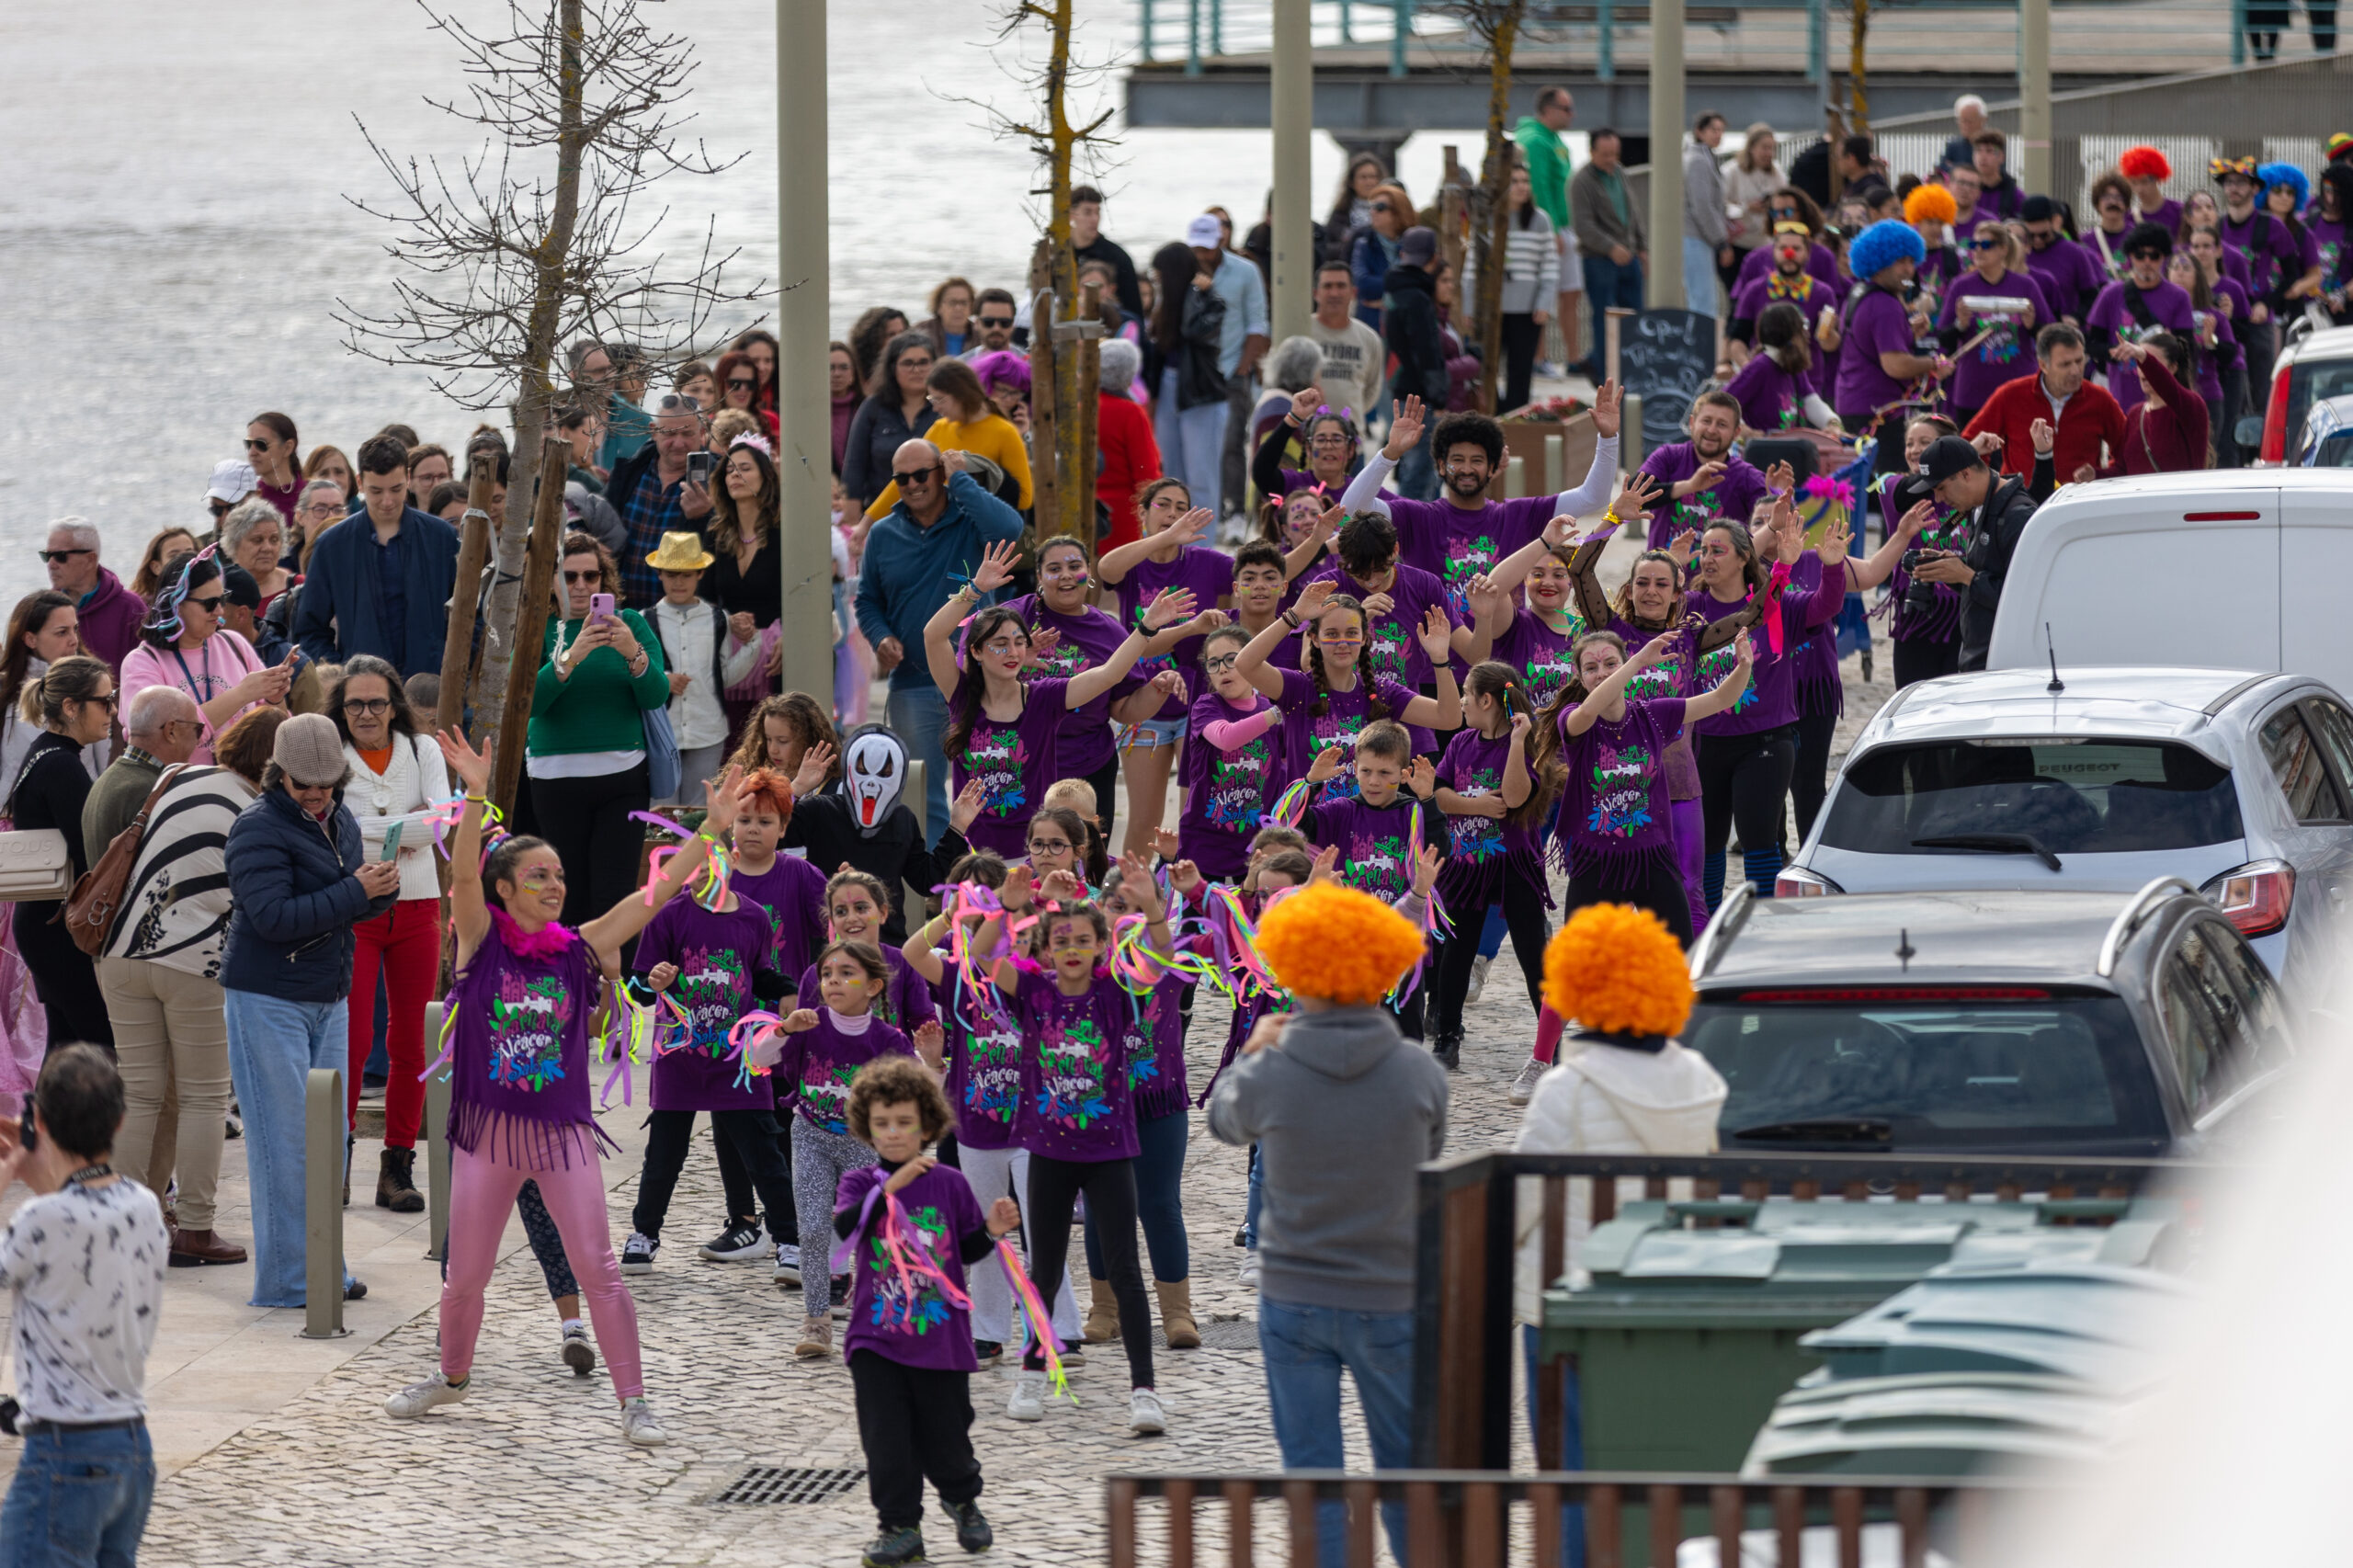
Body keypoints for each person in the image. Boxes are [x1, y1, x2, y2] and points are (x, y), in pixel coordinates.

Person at [382, 738, 712, 1448]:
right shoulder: (478, 941)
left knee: (599, 1269)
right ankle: (452, 1378)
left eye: (558, 875)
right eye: (538, 876)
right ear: (506, 890)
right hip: (488, 1137)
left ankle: (634, 1401)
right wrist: (475, 794)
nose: (555, 885)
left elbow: (653, 896)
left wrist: (710, 828)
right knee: (464, 1274)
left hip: (562, 1136)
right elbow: (463, 883)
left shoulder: (580, 947)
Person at [1206, 881, 1448, 1568]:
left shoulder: (1274, 1069)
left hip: (1295, 1293)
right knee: (1405, 1471)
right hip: (1390, 1293)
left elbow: (1223, 1122)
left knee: (1313, 1475)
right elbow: (1426, 1157)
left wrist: (1255, 1050)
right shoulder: (1417, 1071)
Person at [1511, 905, 1728, 1557]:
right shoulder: (1701, 1081)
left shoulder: (1568, 1091)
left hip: (1566, 1301)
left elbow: (1523, 1198)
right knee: (1654, 1454)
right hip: (1665, 1295)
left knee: (1571, 1463)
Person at [967, 858, 1176, 1433]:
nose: (1074, 949)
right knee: (1047, 1268)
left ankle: (1144, 1390)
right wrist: (1009, 907)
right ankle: (1033, 1375)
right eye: (1064, 941)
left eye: (1085, 940)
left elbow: (1161, 956)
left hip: (1110, 1152)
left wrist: (1150, 904)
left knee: (1126, 1270)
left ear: (1102, 945)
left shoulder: (1116, 992)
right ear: (1048, 948)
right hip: (1050, 1152)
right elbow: (983, 958)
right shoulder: (1033, 991)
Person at [218, 713, 396, 1306]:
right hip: (268, 997)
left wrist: (377, 891)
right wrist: (356, 891)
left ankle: (323, 1264)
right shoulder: (256, 827)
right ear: (279, 776)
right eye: (304, 785)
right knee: (285, 1142)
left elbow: (333, 911)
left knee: (328, 1137)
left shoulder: (339, 817)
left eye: (327, 783)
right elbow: (272, 919)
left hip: (326, 994)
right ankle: (289, 1280)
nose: (317, 795)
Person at [98, 699, 266, 1271]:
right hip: (191, 961)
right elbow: (252, 902)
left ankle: (119, 1226)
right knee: (202, 1097)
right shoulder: (255, 812)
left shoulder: (177, 775)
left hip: (119, 951)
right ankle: (194, 1228)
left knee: (140, 1093)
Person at [826, 1057, 1012, 1568]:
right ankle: (899, 1527)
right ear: (867, 1125)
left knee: (947, 1433)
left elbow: (968, 1250)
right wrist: (891, 1185)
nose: (893, 1133)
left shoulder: (950, 1183)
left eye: (904, 1123)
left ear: (926, 1126)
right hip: (876, 1338)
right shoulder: (860, 1183)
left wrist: (993, 1229)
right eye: (882, 1123)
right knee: (886, 1438)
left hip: (942, 1338)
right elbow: (847, 1230)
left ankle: (961, 1498)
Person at [0, 1045, 168, 1568]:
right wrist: (39, 1175)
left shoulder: (38, 1221)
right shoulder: (144, 1206)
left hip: (63, 1454)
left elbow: (58, 1226)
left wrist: (9, 1173)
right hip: (131, 1449)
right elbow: (85, 1224)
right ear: (119, 1122)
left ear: (41, 1121)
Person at [925, 540, 1191, 860]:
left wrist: (1146, 628)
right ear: (976, 651)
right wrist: (976, 588)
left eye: (1018, 643)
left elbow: (1108, 675)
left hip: (1033, 855)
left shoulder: (1044, 696)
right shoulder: (961, 696)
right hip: (974, 856)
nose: (1011, 651)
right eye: (1000, 644)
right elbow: (933, 635)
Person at [855, 444, 1027, 847]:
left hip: (978, 683)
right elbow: (867, 600)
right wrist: (880, 636)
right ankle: (935, 885)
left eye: (922, 474)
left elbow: (1011, 530)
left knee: (990, 786)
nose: (912, 485)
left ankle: (986, 876)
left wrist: (960, 479)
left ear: (941, 472)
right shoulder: (882, 534)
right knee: (920, 792)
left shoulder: (972, 521)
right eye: (902, 479)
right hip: (912, 683)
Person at [324, 657, 445, 1215]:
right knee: (348, 1041)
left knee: (412, 1042)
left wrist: (369, 834)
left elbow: (441, 822)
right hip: (356, 911)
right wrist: (404, 827)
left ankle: (397, 1163)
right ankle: (339, 1161)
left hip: (419, 907)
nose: (366, 714)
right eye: (354, 704)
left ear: (395, 704)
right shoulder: (330, 753)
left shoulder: (424, 751)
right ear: (340, 709)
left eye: (376, 703)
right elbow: (332, 829)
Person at [525, 533, 670, 931]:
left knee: (615, 897)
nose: (581, 586)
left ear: (604, 580)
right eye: (569, 577)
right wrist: (571, 658)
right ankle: (573, 988)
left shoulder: (631, 624)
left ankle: (614, 990)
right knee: (565, 896)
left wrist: (631, 652)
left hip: (622, 777)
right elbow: (529, 706)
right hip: (555, 780)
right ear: (553, 580)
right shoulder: (541, 627)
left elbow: (657, 694)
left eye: (591, 576)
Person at [8, 654, 115, 1051]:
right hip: (58, 928)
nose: (113, 710)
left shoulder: (47, 752)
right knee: (100, 1045)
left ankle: (41, 1115)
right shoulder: (61, 766)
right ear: (71, 707)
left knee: (66, 1045)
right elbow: (91, 858)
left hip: (45, 921)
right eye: (105, 701)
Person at [293, 435, 460, 676]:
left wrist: (453, 668)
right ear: (359, 483)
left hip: (434, 688)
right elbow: (310, 629)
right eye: (376, 491)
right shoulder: (332, 545)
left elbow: (469, 615)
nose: (387, 501)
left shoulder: (441, 536)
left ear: (408, 478)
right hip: (361, 693)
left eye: (396, 489)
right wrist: (342, 675)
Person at [120, 550, 287, 767]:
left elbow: (280, 729)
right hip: (179, 790)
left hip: (245, 786)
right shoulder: (143, 662)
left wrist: (276, 697)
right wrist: (242, 694)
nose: (219, 611)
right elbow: (158, 739)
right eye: (209, 603)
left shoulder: (233, 643)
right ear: (176, 604)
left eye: (223, 599)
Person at [1898, 434, 2038, 671]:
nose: (1939, 498)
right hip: (1981, 657)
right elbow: (1988, 575)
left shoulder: (2017, 515)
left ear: (1965, 474)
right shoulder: (1981, 504)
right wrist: (1950, 569)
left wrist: (1966, 575)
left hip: (2005, 665)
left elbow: (2028, 600)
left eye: (1941, 488)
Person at [1835, 220, 1954, 476]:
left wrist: (1907, 333)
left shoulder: (1859, 291)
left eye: (1912, 262)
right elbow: (1895, 365)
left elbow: (1868, 343)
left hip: (1855, 402)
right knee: (1888, 486)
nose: (1909, 270)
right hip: (1877, 410)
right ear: (1880, 260)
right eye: (1901, 262)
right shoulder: (1884, 304)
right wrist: (1933, 363)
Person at [642, 532, 756, 803]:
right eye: (671, 574)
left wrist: (752, 644)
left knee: (701, 808)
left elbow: (724, 675)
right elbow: (636, 671)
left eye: (687, 574)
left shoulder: (718, 619)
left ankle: (700, 848)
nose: (679, 582)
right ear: (659, 574)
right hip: (663, 730)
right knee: (661, 809)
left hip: (707, 728)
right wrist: (663, 680)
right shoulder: (645, 620)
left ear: (700, 574)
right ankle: (665, 850)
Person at [862, 358, 1032, 518]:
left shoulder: (1005, 432)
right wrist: (868, 521)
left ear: (961, 394)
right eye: (931, 400)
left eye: (939, 400)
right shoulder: (939, 429)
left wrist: (981, 475)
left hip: (986, 534)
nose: (935, 408)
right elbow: (904, 480)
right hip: (946, 531)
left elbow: (1025, 499)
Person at [699, 430, 785, 739]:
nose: (735, 475)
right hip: (731, 657)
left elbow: (812, 597)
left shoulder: (786, 530)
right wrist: (727, 620)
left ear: (766, 475)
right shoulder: (716, 533)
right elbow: (703, 598)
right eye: (729, 470)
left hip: (779, 659)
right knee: (735, 746)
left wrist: (790, 634)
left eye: (745, 468)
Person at [1145, 231, 1234, 524]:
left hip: (1200, 393)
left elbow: (1193, 333)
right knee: (1171, 475)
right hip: (1171, 387)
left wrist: (1197, 296)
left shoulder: (1207, 302)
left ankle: (1203, 547)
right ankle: (1173, 541)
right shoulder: (1164, 307)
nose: (1156, 282)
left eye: (1160, 276)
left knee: (1201, 477)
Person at [1966, 323, 2127, 483]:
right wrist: (1991, 488)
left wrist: (2099, 476)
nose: (2075, 371)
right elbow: (1967, 447)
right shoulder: (2010, 395)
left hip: (2080, 503)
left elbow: (2128, 452)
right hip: (2022, 504)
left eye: (2079, 361)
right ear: (2043, 365)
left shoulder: (2100, 399)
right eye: (2065, 364)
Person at [599, 394, 714, 609]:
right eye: (669, 433)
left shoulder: (718, 480)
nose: (679, 443)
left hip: (682, 619)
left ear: (701, 433)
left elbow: (728, 555)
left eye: (687, 433)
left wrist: (705, 517)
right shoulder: (628, 472)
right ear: (653, 431)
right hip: (624, 613)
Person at [1462, 163, 1561, 413]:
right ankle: (1493, 416)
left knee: (1521, 370)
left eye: (1525, 181)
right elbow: (1472, 266)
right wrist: (1468, 308)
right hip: (1491, 310)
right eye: (1515, 181)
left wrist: (1544, 303)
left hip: (1527, 310)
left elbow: (1549, 266)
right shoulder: (1487, 221)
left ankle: (1516, 419)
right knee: (1486, 368)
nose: (1521, 187)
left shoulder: (1540, 221)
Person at [1936, 224, 2053, 426]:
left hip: (2018, 387)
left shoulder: (2026, 285)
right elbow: (1943, 337)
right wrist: (1960, 325)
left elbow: (2050, 335)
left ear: (2003, 250)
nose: (1978, 250)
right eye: (1974, 245)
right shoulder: (1960, 285)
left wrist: (2032, 326)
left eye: (1987, 244)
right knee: (1973, 455)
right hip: (1972, 391)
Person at [2085, 222, 2198, 411]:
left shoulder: (2179, 297)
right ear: (2130, 257)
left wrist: (2171, 343)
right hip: (2121, 400)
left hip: (2165, 401)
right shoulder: (2110, 294)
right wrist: (2113, 352)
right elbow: (2090, 343)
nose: (2146, 261)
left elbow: (2188, 350)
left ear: (2163, 258)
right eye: (2140, 255)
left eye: (2154, 256)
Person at [0, 591, 103, 790]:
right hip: (19, 815)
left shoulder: (91, 682)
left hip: (82, 807)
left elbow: (103, 760)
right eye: (62, 632)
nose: (74, 640)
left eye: (75, 629)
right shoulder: (5, 689)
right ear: (31, 639)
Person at [1637, 390, 1769, 545]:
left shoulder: (1747, 477)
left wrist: (1779, 491)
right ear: (1692, 423)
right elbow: (1633, 496)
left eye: (1722, 424)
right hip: (1663, 568)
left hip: (1722, 570)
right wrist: (1689, 486)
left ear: (1736, 433)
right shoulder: (1668, 457)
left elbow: (1771, 524)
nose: (1712, 430)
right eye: (1706, 421)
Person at [1571, 129, 1646, 377]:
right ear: (1592, 152)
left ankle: (1633, 369)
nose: (1611, 159)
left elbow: (1634, 213)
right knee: (1605, 319)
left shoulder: (1621, 173)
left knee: (1635, 316)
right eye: (1605, 154)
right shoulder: (1581, 181)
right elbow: (1583, 225)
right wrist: (1611, 247)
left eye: (1614, 153)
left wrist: (1642, 247)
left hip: (1630, 257)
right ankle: (1604, 372)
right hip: (1599, 260)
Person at [842, 331, 940, 512]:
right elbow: (854, 466)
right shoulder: (873, 407)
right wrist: (852, 514)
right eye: (908, 363)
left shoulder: (946, 407)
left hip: (939, 512)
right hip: (881, 514)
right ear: (892, 368)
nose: (916, 370)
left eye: (923, 362)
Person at [40, 520, 142, 678]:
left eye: (60, 556)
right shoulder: (42, 609)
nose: (51, 564)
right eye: (47, 556)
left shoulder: (132, 608)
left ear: (90, 559)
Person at [1094, 339, 1163, 552]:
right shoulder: (1131, 413)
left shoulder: (1081, 407)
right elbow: (1147, 474)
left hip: (1085, 509)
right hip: (1124, 517)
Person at [2022, 194, 2106, 326]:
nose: (2037, 240)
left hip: (2063, 331)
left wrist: (2076, 318)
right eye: (2031, 236)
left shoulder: (2074, 252)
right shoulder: (2018, 252)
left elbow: (2092, 297)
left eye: (2043, 235)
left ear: (2053, 223)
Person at [1683, 111, 1732, 318]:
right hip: (1695, 237)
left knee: (1701, 297)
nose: (1718, 134)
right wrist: (1721, 240)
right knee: (1703, 300)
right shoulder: (1698, 161)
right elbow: (1702, 206)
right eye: (1713, 130)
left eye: (1721, 130)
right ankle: (1703, 347)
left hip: (1697, 237)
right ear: (1699, 132)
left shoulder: (1703, 157)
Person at [1071, 184, 1144, 319]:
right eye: (1087, 212)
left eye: (1097, 212)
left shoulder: (1117, 257)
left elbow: (1134, 309)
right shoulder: (1058, 255)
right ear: (1071, 215)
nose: (1095, 219)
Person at [219, 497, 298, 619]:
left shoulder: (298, 586)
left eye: (274, 540)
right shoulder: (217, 590)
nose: (267, 548)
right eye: (257, 540)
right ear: (234, 544)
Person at [1349, 184, 1413, 331]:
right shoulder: (1364, 244)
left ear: (1398, 211)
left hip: (1406, 328)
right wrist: (1400, 290)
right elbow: (1363, 285)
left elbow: (1421, 285)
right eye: (1371, 207)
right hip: (1371, 327)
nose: (1372, 212)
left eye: (1380, 207)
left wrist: (1385, 300)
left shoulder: (1413, 245)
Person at [244, 412, 305, 524]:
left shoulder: (313, 496)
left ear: (287, 448)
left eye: (261, 444)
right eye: (248, 444)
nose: (252, 452)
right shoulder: (246, 501)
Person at [710, 348, 779, 443]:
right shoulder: (708, 425)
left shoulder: (770, 421)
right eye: (735, 384)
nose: (743, 389)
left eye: (750, 383)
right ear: (720, 384)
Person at [127, 528, 199, 605]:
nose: (185, 559)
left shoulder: (210, 592)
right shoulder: (143, 607)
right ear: (156, 568)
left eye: (190, 553)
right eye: (174, 556)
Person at [917, 276, 977, 359]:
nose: (958, 308)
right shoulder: (920, 332)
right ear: (938, 306)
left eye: (964, 303)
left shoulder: (981, 333)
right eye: (952, 302)